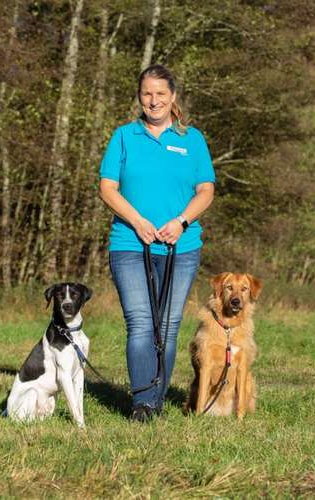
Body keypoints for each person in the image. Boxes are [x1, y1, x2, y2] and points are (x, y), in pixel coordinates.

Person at [98, 64, 216, 422]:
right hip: (130, 244)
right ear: (140, 96)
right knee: (139, 322)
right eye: (147, 93)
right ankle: (143, 404)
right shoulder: (123, 137)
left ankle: (157, 398)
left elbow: (206, 191)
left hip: (181, 248)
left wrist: (181, 222)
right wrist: (138, 221)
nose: (154, 101)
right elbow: (107, 188)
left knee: (167, 325)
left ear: (173, 97)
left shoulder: (191, 139)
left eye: (161, 94)